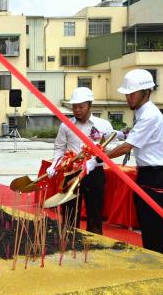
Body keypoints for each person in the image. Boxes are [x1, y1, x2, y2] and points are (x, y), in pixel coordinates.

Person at [103, 69, 163, 254]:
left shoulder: (149, 115)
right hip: (148, 175)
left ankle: (158, 269)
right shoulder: (143, 112)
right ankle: (153, 264)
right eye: (127, 94)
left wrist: (100, 156)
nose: (128, 98)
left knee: (155, 231)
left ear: (146, 92)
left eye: (132, 93)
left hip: (157, 178)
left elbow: (127, 147)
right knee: (148, 229)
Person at [47, 87, 115, 235]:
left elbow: (111, 149)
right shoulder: (66, 125)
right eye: (74, 107)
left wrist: (97, 157)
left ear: (90, 105)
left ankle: (94, 242)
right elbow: (59, 148)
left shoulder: (103, 125)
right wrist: (54, 164)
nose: (77, 110)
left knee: (95, 212)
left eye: (81, 106)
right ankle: (69, 240)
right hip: (71, 173)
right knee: (70, 211)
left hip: (94, 173)